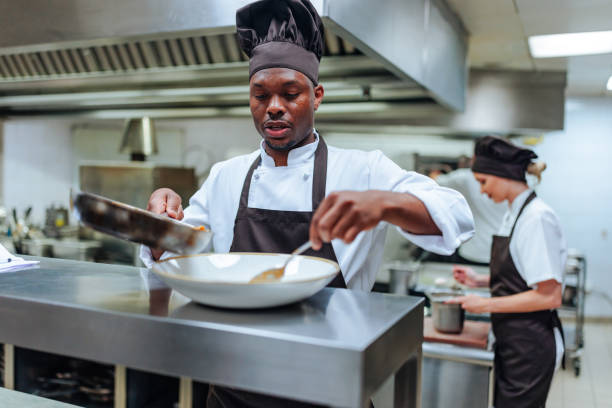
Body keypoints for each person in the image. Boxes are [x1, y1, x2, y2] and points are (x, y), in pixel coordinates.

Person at [141, 0, 474, 406]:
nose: (274, 106)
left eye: (290, 93)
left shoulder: (364, 169)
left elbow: (455, 215)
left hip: (330, 385)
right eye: (260, 95)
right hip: (233, 383)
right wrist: (159, 224)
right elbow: (179, 250)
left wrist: (386, 203)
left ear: (316, 96)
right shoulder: (226, 175)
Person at [447, 136, 566, 408]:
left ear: (502, 175)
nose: (482, 191)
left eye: (483, 182)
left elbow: (549, 296)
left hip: (530, 346)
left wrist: (485, 304)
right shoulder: (514, 213)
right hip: (512, 340)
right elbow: (524, 277)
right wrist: (479, 280)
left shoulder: (537, 218)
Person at [433, 156, 507, 265]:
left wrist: (434, 173)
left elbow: (434, 181)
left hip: (473, 252)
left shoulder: (466, 177)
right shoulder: (513, 182)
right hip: (502, 253)